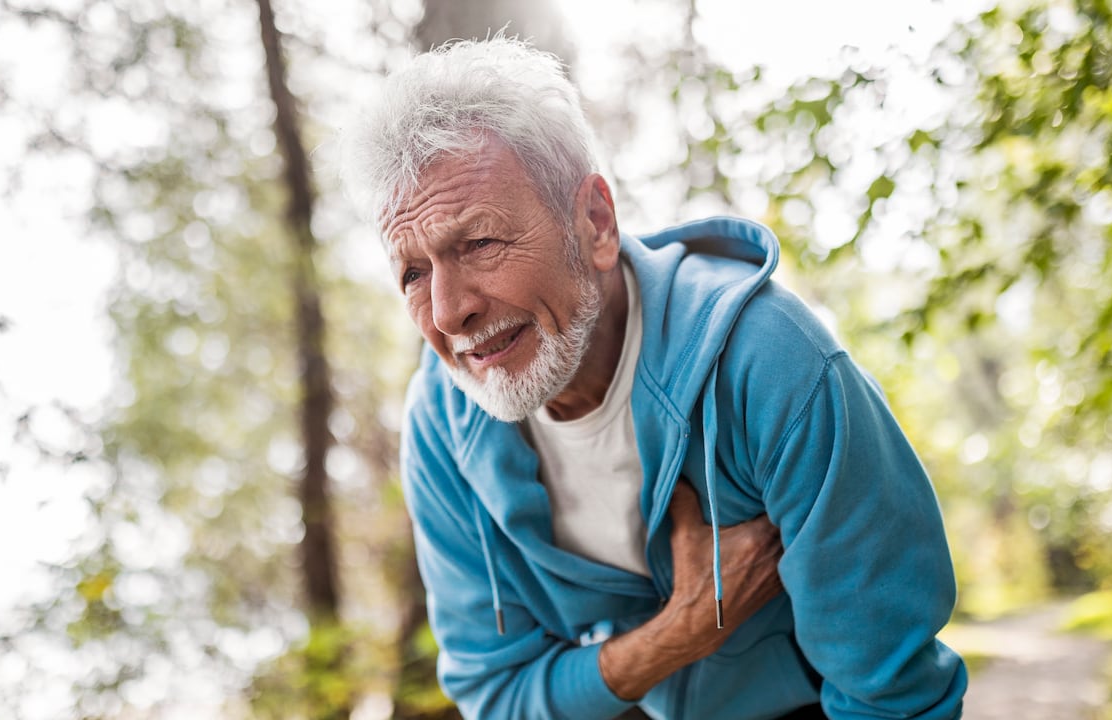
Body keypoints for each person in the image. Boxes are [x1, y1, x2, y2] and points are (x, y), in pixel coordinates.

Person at [340, 37, 967, 720]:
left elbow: (889, 692)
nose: (448, 311)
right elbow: (496, 695)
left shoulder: (768, 361)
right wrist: (683, 631)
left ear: (595, 222)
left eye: (480, 243)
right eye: (412, 272)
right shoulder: (440, 421)